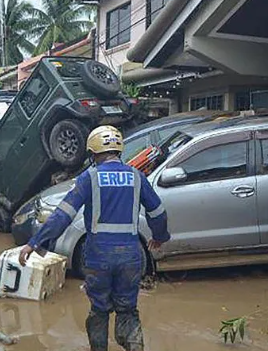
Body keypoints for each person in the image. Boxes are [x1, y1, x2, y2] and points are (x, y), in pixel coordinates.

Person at [19, 125, 170, 351]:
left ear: (94, 153)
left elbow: (63, 215)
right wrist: (159, 237)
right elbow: (158, 212)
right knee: (128, 310)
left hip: (98, 257)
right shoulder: (137, 177)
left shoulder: (89, 178)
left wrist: (35, 243)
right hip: (131, 256)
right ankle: (134, 345)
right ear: (118, 151)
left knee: (99, 311)